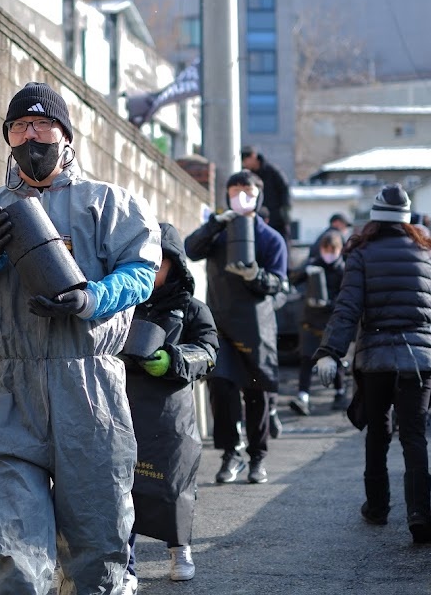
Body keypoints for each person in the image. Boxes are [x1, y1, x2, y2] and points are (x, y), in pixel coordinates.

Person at [0, 82, 161, 595]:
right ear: (8, 139)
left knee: (99, 542)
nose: (31, 136)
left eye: (42, 126)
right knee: (5, 539)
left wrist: (92, 298)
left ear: (65, 136)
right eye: (19, 127)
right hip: (9, 391)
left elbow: (142, 272)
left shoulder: (110, 204)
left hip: (89, 384)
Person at [313, 183, 431, 544]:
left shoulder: (361, 254)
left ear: (375, 217)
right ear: (407, 218)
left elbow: (347, 309)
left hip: (375, 359)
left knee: (378, 434)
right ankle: (419, 514)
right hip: (420, 360)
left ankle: (377, 507)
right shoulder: (428, 254)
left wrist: (330, 351)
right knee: (414, 436)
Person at [122, 222, 218, 594]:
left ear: (175, 264)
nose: (152, 269)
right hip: (126, 409)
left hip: (173, 414)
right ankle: (127, 566)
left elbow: (209, 353)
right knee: (125, 487)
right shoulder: (126, 303)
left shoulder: (193, 309)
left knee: (175, 485)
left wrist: (174, 359)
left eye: (159, 262)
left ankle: (180, 550)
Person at [185, 170, 289, 486]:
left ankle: (258, 457)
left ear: (258, 195)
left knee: (258, 393)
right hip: (220, 323)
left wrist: (255, 276)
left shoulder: (271, 239)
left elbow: (279, 283)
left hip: (257, 327)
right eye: (234, 190)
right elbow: (191, 249)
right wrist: (218, 221)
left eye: (247, 190)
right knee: (221, 386)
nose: (241, 195)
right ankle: (231, 453)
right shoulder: (218, 234)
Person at [288, 229, 347, 416]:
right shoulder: (314, 264)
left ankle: (340, 394)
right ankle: (303, 397)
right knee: (306, 359)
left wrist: (329, 303)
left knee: (334, 360)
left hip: (331, 323)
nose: (329, 253)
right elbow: (293, 279)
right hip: (311, 322)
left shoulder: (343, 270)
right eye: (326, 249)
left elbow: (347, 296)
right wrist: (303, 271)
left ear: (339, 250)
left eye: (333, 250)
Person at [240, 145, 292, 241]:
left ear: (253, 156)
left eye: (245, 160)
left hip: (277, 218)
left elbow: (284, 188)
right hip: (258, 217)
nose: (244, 164)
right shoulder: (247, 175)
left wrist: (285, 210)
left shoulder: (272, 171)